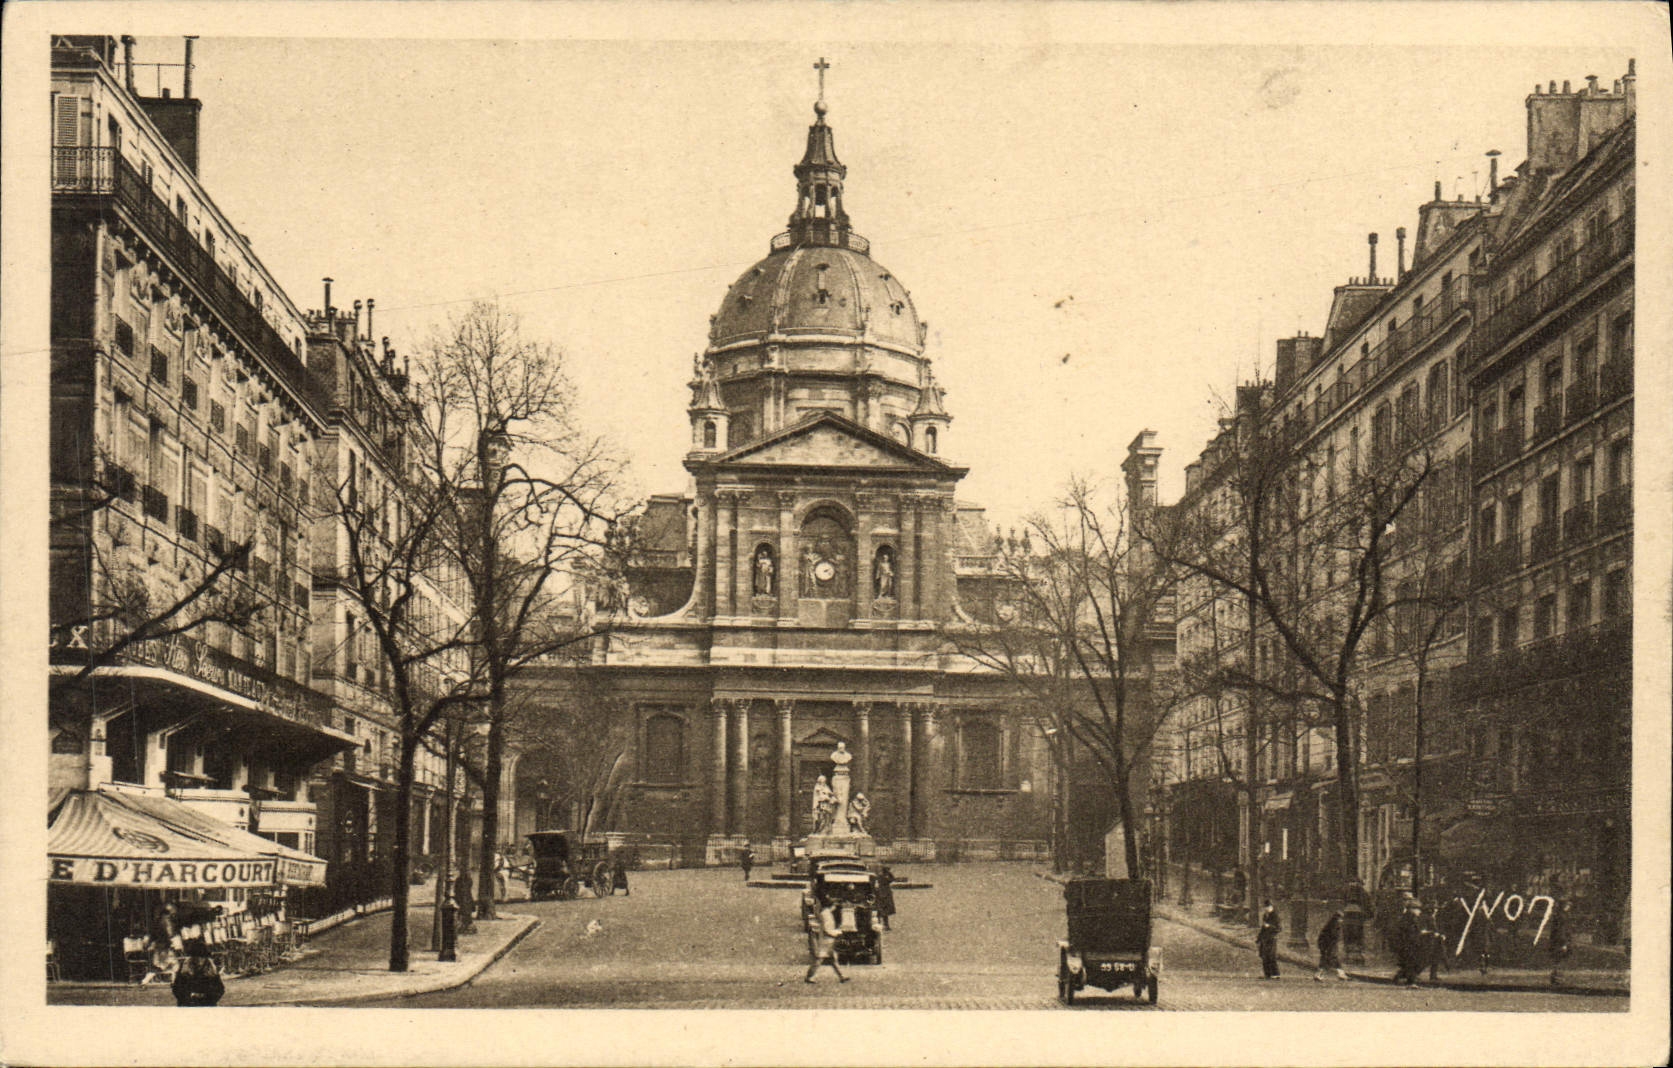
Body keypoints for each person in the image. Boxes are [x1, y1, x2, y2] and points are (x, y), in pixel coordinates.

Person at [803, 898, 848, 984]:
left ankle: (842, 976)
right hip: (826, 940)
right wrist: (837, 933)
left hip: (828, 939)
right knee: (820, 959)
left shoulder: (826, 913)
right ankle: (809, 977)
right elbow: (827, 929)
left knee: (833, 959)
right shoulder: (826, 915)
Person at [170, 940, 224, 1007]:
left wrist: (206, 997)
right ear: (192, 957)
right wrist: (189, 997)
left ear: (205, 958)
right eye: (196, 956)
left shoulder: (212, 970)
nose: (199, 960)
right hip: (188, 1004)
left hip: (207, 1004)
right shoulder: (184, 969)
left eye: (202, 957)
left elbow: (219, 990)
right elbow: (177, 988)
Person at [1393, 899, 1424, 986]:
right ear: (1411, 909)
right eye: (1417, 909)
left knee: (1411, 963)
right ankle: (1411, 982)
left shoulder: (1412, 918)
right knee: (1411, 962)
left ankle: (1400, 977)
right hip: (1408, 945)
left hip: (1411, 944)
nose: (1419, 911)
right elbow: (1407, 932)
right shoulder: (1408, 919)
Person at [1314, 909, 1348, 981]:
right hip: (1329, 945)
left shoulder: (1331, 925)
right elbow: (1333, 936)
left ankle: (1340, 974)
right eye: (1340, 918)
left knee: (1328, 960)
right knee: (1331, 959)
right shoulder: (1335, 925)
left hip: (1327, 945)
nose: (1341, 920)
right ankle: (1340, 974)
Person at [1546, 898, 1572, 986]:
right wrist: (1564, 943)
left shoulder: (1558, 915)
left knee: (1557, 960)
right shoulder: (1562, 917)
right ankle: (1557, 978)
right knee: (1559, 960)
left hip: (1555, 941)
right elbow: (1561, 931)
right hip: (1559, 942)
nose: (1569, 907)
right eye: (1567, 905)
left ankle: (1555, 978)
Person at [1256, 900, 1282, 979]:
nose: (1266, 909)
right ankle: (1267, 974)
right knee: (1264, 955)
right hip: (1265, 938)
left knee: (1271, 955)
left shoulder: (1275, 916)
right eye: (1265, 908)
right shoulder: (1265, 915)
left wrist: (1269, 926)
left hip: (1271, 938)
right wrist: (1259, 938)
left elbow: (1279, 928)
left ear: (1271, 907)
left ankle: (1275, 973)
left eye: (1268, 907)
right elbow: (1263, 928)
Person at [875, 866, 897, 931]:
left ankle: (880, 924)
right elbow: (892, 879)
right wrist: (889, 873)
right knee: (884, 911)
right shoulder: (884, 877)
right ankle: (885, 925)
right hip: (885, 895)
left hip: (881, 894)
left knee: (881, 910)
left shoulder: (880, 877)